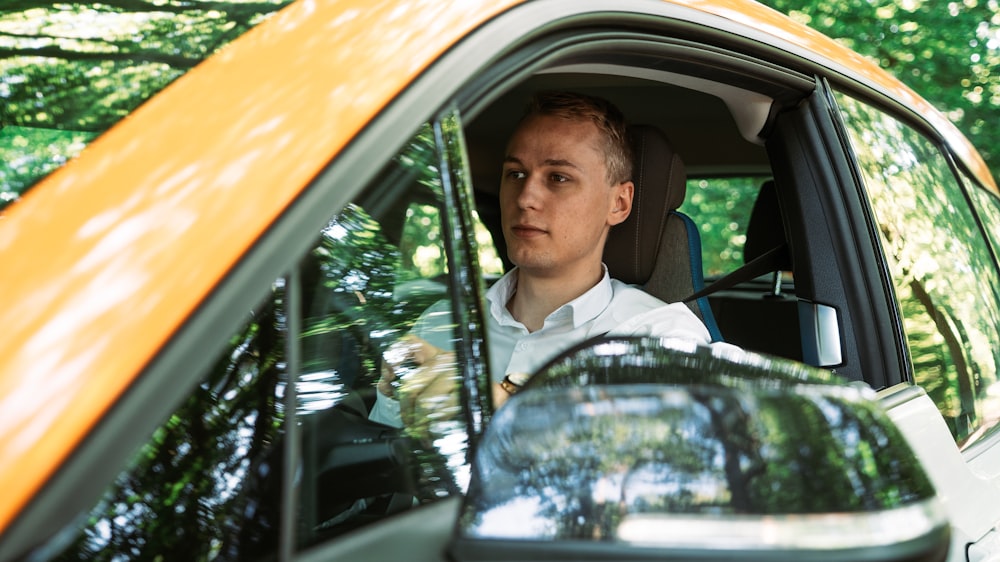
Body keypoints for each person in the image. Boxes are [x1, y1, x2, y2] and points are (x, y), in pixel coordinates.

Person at [370, 90, 716, 425]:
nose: (525, 198)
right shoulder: (441, 322)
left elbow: (653, 474)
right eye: (516, 174)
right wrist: (391, 398)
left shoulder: (659, 338)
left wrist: (513, 413)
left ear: (619, 203)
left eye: (558, 178)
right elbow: (387, 466)